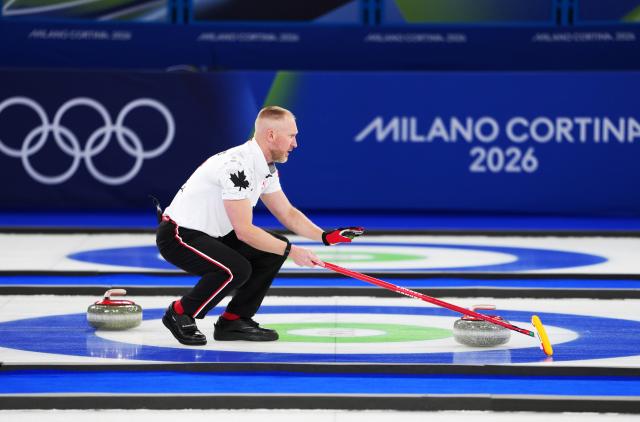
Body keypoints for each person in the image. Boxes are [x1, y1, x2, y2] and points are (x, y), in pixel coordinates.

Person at [155, 106, 364, 345]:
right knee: (235, 268)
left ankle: (234, 321)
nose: (295, 144)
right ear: (272, 135)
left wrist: (326, 237)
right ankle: (180, 313)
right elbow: (244, 231)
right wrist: (293, 252)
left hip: (212, 234)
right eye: (292, 136)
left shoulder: (265, 166)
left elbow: (287, 213)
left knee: (273, 249)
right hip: (179, 235)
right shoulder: (237, 166)